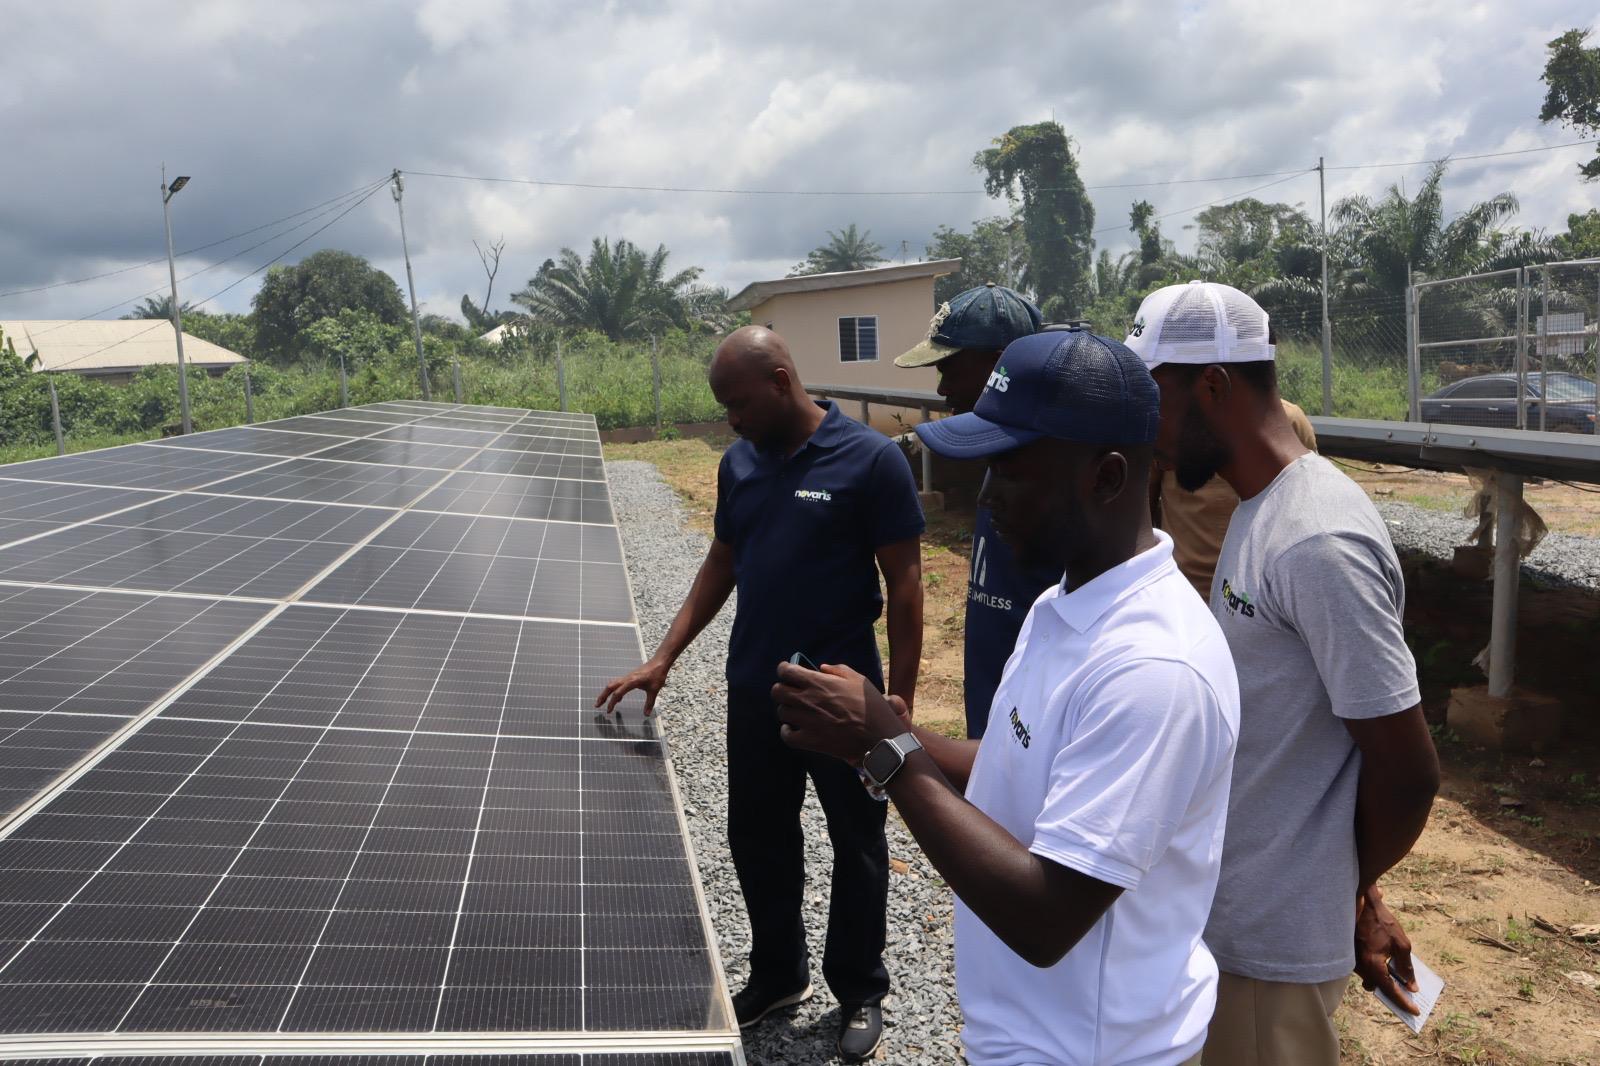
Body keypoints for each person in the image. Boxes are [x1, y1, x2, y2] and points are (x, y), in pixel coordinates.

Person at [772, 328, 1240, 1066]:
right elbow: (1020, 764)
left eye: (1013, 469)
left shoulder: (1154, 667)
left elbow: (1046, 916)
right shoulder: (1065, 602)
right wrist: (878, 727)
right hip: (1027, 1037)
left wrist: (887, 754)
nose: (988, 497)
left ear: (1108, 476)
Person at [1124, 281, 1441, 1066]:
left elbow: (1407, 771)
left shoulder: (1315, 540)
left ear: (1214, 385)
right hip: (1237, 920)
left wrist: (1330, 885)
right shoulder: (1261, 512)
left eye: (1152, 397)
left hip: (1267, 949)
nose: (1148, 430)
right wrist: (1358, 893)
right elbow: (1307, 744)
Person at [593, 326, 924, 1061]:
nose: (731, 420)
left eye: (737, 403)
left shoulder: (870, 460)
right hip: (756, 692)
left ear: (781, 380)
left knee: (859, 844)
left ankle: (861, 990)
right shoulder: (738, 464)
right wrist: (664, 656)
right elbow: (723, 558)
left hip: (845, 703)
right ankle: (779, 973)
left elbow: (905, 585)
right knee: (759, 837)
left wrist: (896, 701)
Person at [893, 282, 1055, 737]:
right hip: (989, 704)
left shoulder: (1054, 480)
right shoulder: (998, 461)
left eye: (951, 368)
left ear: (1002, 361)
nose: (942, 388)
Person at [1150, 389, 1318, 599]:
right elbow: (1143, 509)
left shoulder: (1288, 421)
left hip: (1261, 601)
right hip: (1185, 593)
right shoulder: (1171, 424)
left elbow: (1307, 508)